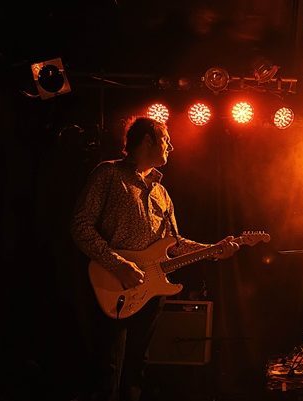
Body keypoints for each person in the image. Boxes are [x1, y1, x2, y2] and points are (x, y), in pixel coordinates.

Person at [70, 116, 240, 401]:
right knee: (107, 365)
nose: (171, 147)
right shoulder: (109, 174)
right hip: (111, 283)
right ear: (148, 140)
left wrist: (214, 249)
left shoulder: (161, 192)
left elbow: (174, 243)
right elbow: (80, 225)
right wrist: (118, 264)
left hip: (150, 291)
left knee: (137, 365)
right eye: (166, 140)